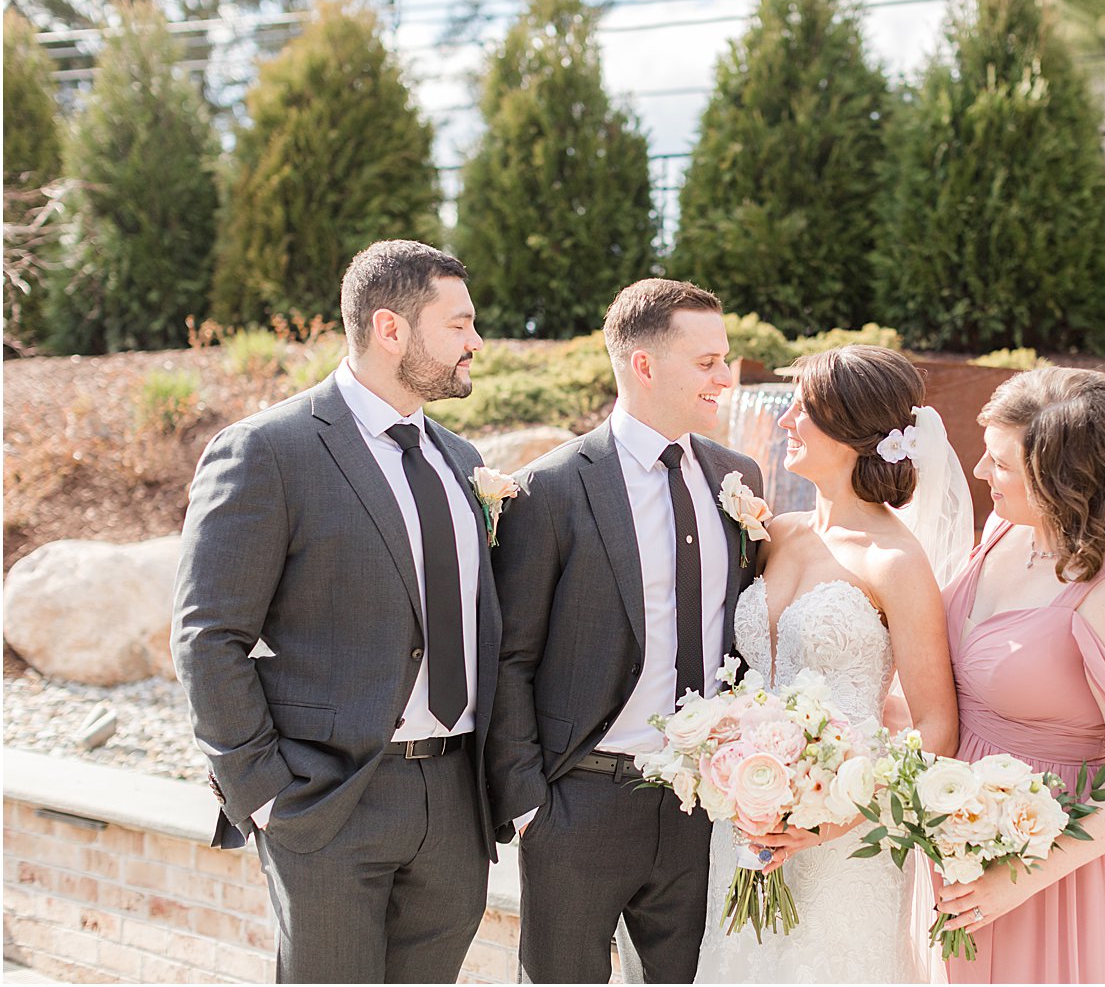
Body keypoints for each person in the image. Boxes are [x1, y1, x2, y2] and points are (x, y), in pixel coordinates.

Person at [171, 239, 501, 983]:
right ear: (391, 329)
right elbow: (207, 636)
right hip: (328, 802)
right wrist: (262, 794)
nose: (475, 341)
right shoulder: (266, 451)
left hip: (453, 803)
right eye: (459, 324)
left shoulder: (463, 460)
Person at [489, 278, 764, 984]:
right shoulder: (551, 488)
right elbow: (510, 656)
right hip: (580, 802)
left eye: (723, 358)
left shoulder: (738, 478)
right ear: (643, 366)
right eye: (706, 362)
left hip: (700, 810)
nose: (725, 377)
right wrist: (529, 806)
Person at [694, 344, 961, 984]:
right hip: (745, 821)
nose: (785, 421)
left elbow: (937, 724)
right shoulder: (777, 534)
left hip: (845, 839)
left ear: (853, 429)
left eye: (803, 409)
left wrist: (838, 814)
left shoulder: (896, 561)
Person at [934, 367, 1105, 984]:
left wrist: (1015, 881)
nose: (979, 473)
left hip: (1062, 868)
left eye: (999, 464)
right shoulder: (1006, 530)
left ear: (1058, 479)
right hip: (965, 838)